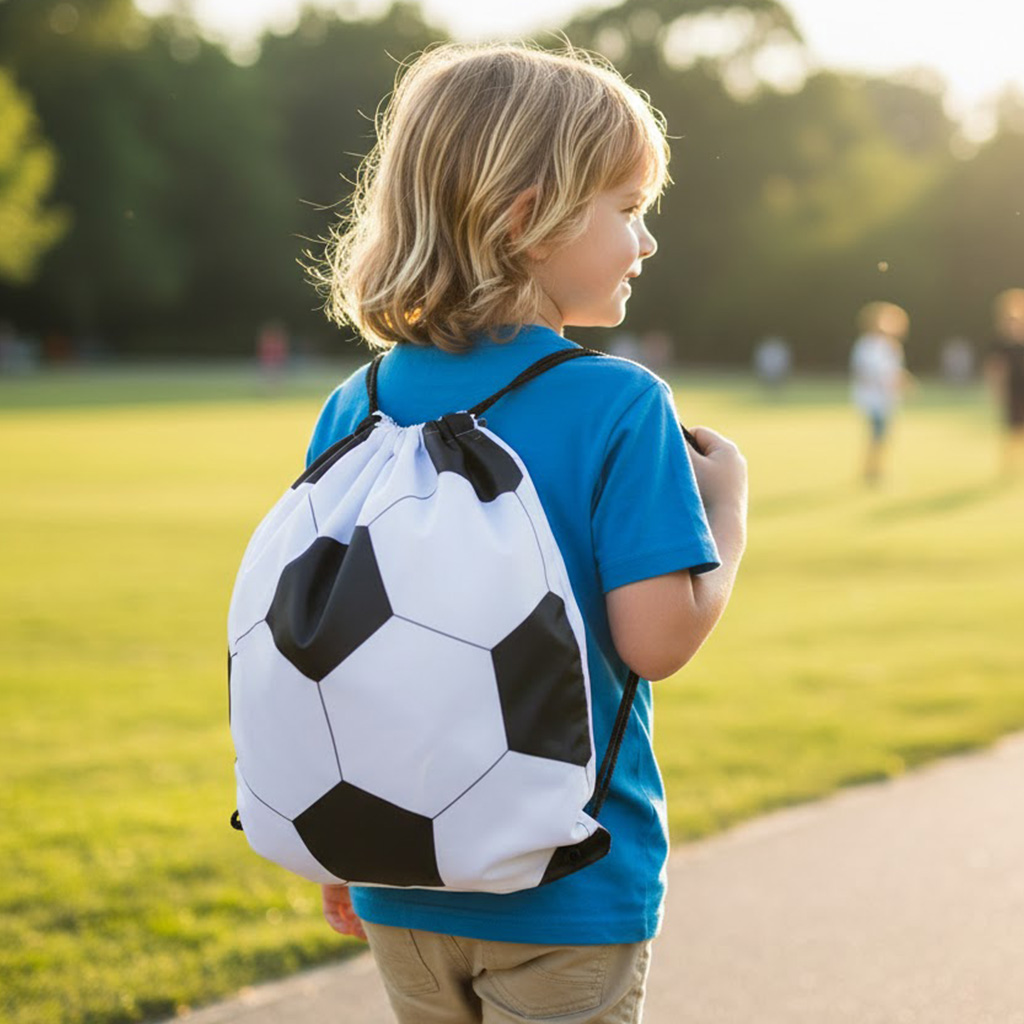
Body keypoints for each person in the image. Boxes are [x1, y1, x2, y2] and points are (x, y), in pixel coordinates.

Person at [305, 41, 748, 1023]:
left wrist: (343, 839)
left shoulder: (356, 404)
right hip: (565, 884)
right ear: (526, 216)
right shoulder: (619, 405)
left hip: (400, 874)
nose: (647, 241)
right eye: (628, 208)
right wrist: (727, 515)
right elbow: (656, 640)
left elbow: (336, 647)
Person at [849, 301, 912, 485]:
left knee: (882, 436)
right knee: (877, 436)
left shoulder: (888, 346)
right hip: (874, 400)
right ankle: (872, 472)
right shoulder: (870, 345)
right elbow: (875, 373)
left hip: (885, 399)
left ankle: (876, 471)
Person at [984, 288, 1024, 476]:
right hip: (1012, 391)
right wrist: (996, 391)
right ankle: (1009, 466)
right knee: (1012, 429)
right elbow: (995, 368)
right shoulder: (1000, 342)